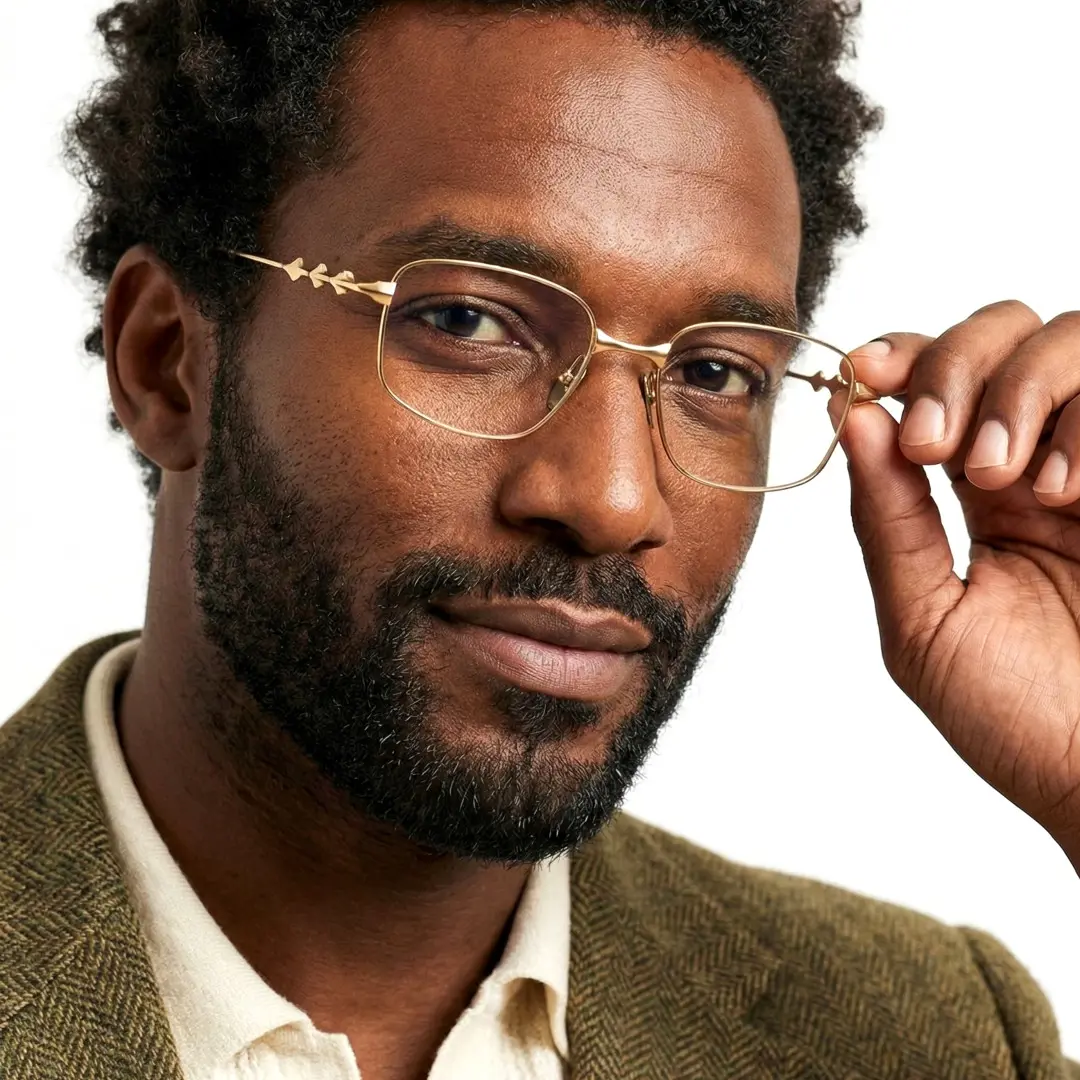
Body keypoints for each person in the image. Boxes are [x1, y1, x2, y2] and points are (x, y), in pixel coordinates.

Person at [2, 0, 1078, 1076]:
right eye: (469, 322)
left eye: (713, 373)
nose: (614, 500)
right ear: (166, 361)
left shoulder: (942, 1034)